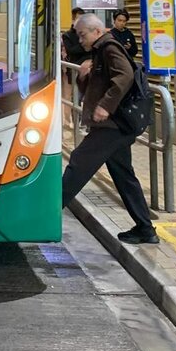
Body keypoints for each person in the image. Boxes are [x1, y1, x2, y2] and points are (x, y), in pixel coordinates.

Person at [62, 13, 158, 244]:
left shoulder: (108, 46)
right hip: (116, 125)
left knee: (79, 162)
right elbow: (98, 84)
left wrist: (106, 106)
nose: (80, 40)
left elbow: (124, 75)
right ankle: (145, 229)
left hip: (113, 125)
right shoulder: (100, 50)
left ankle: (44, 212)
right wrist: (84, 76)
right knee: (124, 175)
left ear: (97, 31)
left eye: (83, 35)